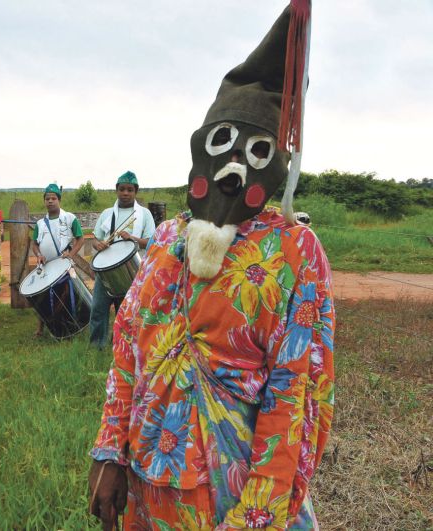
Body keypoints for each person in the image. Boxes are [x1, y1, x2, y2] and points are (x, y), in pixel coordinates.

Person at [89, 5, 335, 529]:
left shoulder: (293, 252)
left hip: (233, 500)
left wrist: (257, 516)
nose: (232, 168)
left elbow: (296, 390)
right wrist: (110, 450)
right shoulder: (167, 238)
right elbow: (128, 343)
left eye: (256, 150)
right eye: (222, 141)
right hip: (147, 487)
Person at [88, 171, 156, 349]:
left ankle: (124, 347)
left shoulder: (144, 214)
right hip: (106, 270)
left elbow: (151, 242)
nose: (126, 193)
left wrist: (132, 238)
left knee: (127, 311)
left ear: (135, 192)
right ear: (116, 190)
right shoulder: (107, 213)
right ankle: (97, 346)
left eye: (130, 190)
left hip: (131, 270)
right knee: (98, 309)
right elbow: (95, 239)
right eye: (122, 189)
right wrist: (98, 244)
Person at [30, 183, 84, 337]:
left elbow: (80, 239)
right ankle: (41, 328)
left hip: (64, 265)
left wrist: (71, 254)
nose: (50, 201)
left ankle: (72, 325)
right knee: (44, 296)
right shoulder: (40, 224)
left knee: (67, 295)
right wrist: (38, 254)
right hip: (46, 266)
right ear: (44, 201)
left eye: (53, 198)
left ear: (59, 200)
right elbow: (34, 244)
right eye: (47, 198)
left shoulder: (70, 218)